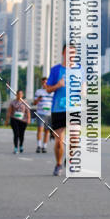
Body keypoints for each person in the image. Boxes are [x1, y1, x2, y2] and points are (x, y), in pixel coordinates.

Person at [45, 44, 74, 176]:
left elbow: (84, 85)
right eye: (68, 52)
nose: (71, 55)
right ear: (63, 53)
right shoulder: (56, 70)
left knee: (75, 138)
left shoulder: (80, 70)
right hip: (58, 109)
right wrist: (58, 85)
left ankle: (71, 160)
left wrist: (84, 91)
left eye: (73, 53)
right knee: (58, 141)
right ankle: (58, 164)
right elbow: (48, 89)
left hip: (74, 108)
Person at [5, 89, 31, 153]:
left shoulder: (25, 102)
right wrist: (7, 120)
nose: (19, 95)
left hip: (23, 120)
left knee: (21, 134)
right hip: (14, 120)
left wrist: (28, 119)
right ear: (16, 95)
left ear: (22, 95)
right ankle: (16, 147)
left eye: (20, 94)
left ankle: (21, 145)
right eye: (18, 94)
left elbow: (28, 112)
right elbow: (9, 112)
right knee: (16, 134)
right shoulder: (13, 102)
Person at [34, 76, 53, 153]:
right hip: (41, 113)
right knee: (40, 129)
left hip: (49, 114)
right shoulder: (38, 91)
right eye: (43, 82)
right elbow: (34, 103)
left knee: (47, 131)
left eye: (46, 82)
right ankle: (39, 145)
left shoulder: (52, 91)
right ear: (42, 83)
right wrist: (38, 99)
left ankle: (44, 146)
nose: (45, 84)